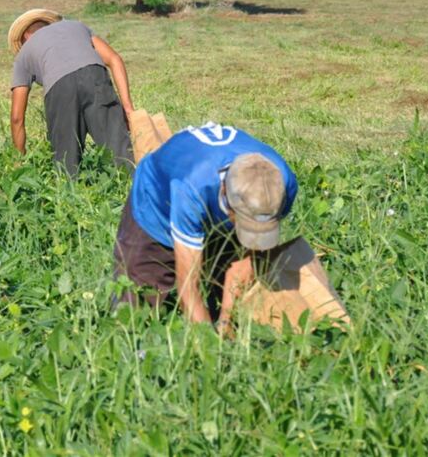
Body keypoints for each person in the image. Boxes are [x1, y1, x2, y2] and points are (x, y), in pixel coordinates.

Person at [112, 122, 298, 332]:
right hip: (157, 202)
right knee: (134, 304)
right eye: (247, 225)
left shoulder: (281, 183)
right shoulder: (192, 189)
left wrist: (227, 319)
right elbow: (187, 289)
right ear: (228, 203)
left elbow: (245, 263)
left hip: (216, 199)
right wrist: (211, 350)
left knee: (237, 293)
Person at [8, 9, 134, 176]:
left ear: (26, 37)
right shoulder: (77, 27)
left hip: (59, 89)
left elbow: (17, 118)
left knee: (66, 165)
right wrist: (128, 108)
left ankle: (71, 196)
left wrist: (19, 160)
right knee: (121, 156)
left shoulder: (24, 54)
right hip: (94, 75)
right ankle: (137, 193)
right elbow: (114, 59)